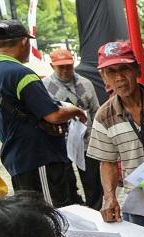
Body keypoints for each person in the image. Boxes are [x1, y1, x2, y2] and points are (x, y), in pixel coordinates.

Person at [0, 19, 86, 207]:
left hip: (17, 158)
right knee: (53, 214)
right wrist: (75, 110)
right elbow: (52, 115)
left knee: (33, 217)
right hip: (39, 158)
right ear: (23, 41)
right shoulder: (21, 73)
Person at [87, 40, 144, 229]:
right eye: (111, 71)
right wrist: (110, 197)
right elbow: (107, 162)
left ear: (137, 70)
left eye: (124, 69)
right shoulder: (104, 116)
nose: (119, 77)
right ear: (103, 77)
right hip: (137, 202)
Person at [43, 48, 103, 210]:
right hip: (61, 145)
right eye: (60, 67)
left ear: (73, 64)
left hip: (87, 142)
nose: (64, 70)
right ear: (52, 66)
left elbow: (96, 111)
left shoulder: (86, 83)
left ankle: (96, 212)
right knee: (67, 185)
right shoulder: (44, 87)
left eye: (68, 66)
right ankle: (75, 213)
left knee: (93, 183)